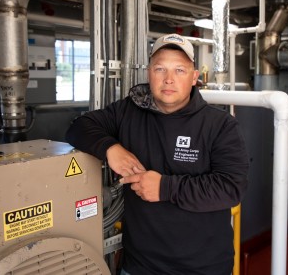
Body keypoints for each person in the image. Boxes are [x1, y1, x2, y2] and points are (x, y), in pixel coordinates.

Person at [66, 33, 249, 275]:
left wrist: (165, 187)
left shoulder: (220, 125)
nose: (169, 79)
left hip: (203, 267)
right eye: (160, 69)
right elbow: (78, 127)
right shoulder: (128, 112)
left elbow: (231, 188)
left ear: (195, 77)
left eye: (180, 70)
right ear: (149, 73)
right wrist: (111, 148)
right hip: (140, 266)